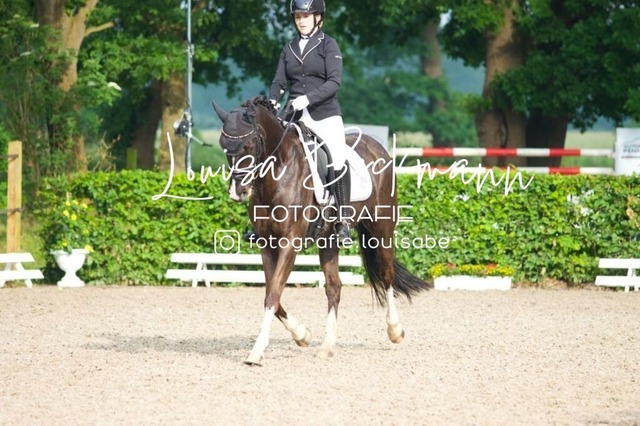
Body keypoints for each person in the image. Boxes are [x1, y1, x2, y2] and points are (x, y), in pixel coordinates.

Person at [268, 0, 351, 246]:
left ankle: (343, 220)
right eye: (298, 17)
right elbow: (279, 82)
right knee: (269, 154)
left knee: (338, 156)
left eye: (306, 16)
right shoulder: (289, 48)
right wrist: (272, 102)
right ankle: (261, 219)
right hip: (293, 114)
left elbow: (334, 82)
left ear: (318, 17)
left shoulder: (329, 44)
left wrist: (309, 98)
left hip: (324, 113)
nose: (301, 21)